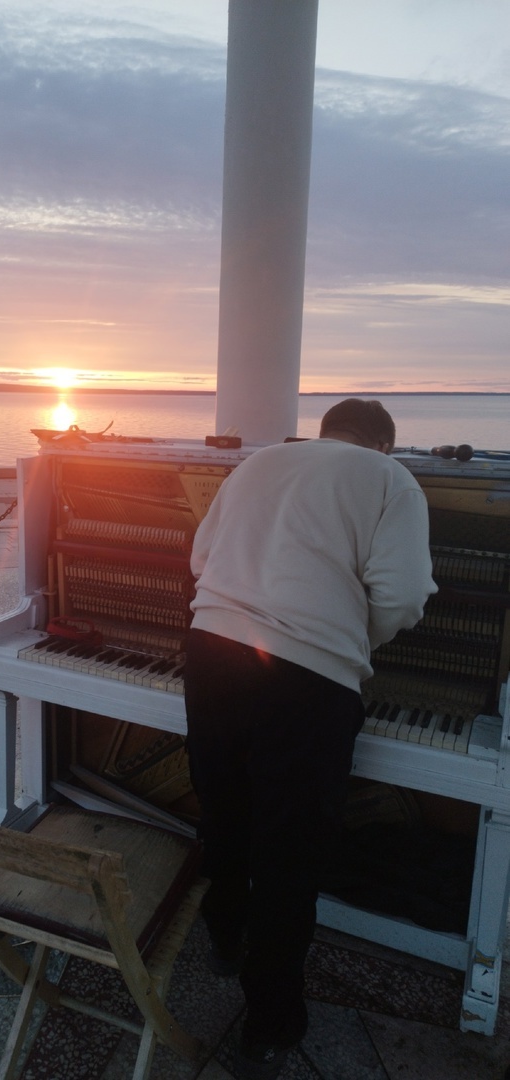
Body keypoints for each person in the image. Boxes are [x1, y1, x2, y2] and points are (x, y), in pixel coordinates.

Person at [183, 399, 437, 1079]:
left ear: (325, 432)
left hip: (210, 652)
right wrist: (353, 640)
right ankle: (269, 1026)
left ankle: (223, 939)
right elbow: (406, 595)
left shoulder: (258, 462)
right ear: (384, 443)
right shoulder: (391, 481)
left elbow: (202, 558)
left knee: (225, 812)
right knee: (290, 857)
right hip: (307, 682)